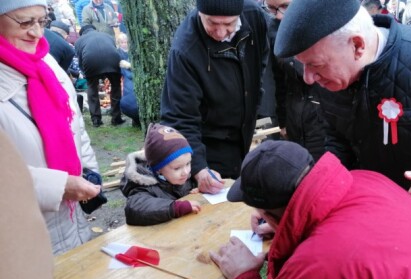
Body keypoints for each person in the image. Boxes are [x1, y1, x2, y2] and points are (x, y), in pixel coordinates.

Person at [273, 0, 411, 247]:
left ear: (357, 46)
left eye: (314, 65)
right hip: (371, 208)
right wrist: (302, 205)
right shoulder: (330, 74)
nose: (308, 78)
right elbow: (336, 136)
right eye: (302, 64)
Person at [210, 140, 411, 279]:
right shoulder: (367, 180)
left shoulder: (318, 264)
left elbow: (330, 262)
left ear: (269, 214)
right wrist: (290, 229)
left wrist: (243, 277)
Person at [0, 0, 101, 255]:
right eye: (24, 22)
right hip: (19, 239)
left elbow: (75, 124)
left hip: (71, 223)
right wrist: (57, 186)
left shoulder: (47, 63)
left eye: (41, 21)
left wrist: (88, 170)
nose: (36, 32)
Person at [160, 0, 269, 193]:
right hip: (210, 143)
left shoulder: (254, 16)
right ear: (199, 12)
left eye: (228, 24)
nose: (220, 33)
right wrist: (200, 169)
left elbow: (262, 60)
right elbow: (180, 118)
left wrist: (256, 95)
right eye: (211, 23)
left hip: (244, 129)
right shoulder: (185, 50)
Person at [263, 0, 328, 161]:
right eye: (271, 9)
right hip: (294, 115)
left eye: (285, 7)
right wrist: (283, 120)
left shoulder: (326, 22)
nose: (278, 16)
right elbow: (279, 80)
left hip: (323, 117)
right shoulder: (274, 29)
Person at [0, 130, 54, 279]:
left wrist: (89, 169)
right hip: (24, 240)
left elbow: (78, 136)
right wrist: (60, 183)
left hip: (69, 226)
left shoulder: (65, 102)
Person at [120, 123, 201, 226]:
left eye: (188, 163)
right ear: (158, 169)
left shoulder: (181, 174)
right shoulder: (143, 185)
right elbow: (134, 209)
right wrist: (174, 208)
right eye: (177, 168)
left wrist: (197, 187)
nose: (186, 172)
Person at [75, 24, 124, 127]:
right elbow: (114, 48)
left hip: (91, 61)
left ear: (82, 34)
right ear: (94, 29)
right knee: (116, 87)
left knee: (92, 88)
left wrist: (86, 75)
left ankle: (96, 119)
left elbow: (80, 60)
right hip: (113, 60)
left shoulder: (79, 41)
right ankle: (116, 118)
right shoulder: (107, 36)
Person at [117, 33, 140, 127]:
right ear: (119, 43)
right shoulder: (118, 52)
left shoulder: (133, 51)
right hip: (127, 75)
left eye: (126, 42)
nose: (124, 44)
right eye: (122, 42)